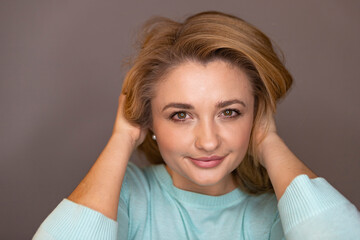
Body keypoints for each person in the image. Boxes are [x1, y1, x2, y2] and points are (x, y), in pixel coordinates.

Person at [33, 11, 360, 239]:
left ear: (256, 114)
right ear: (150, 120)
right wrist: (123, 136)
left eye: (229, 112)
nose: (208, 142)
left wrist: (268, 140)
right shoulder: (124, 194)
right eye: (180, 115)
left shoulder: (283, 211)